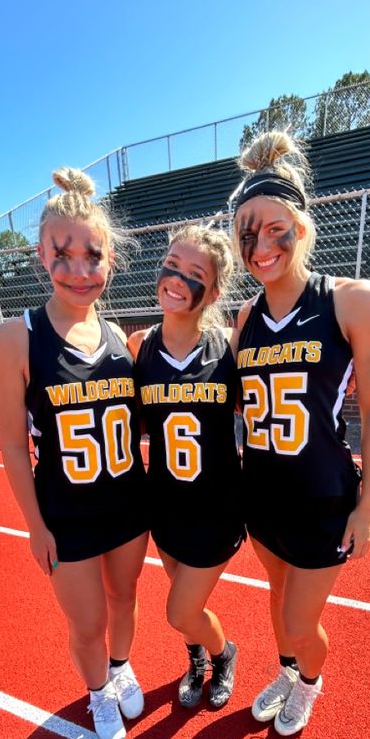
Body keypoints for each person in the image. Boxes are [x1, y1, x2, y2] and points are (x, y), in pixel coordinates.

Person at [231, 131, 370, 736]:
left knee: (302, 620)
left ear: (300, 226)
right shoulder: (246, 318)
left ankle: (310, 681)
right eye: (248, 234)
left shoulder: (352, 300)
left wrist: (369, 504)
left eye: (275, 229)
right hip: (263, 493)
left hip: (324, 496)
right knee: (276, 598)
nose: (262, 246)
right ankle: (287, 670)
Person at [0, 168, 149, 739]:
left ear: (110, 259)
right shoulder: (16, 337)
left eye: (93, 256)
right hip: (68, 513)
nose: (80, 271)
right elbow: (11, 442)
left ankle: (122, 665)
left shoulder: (123, 340)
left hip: (128, 505)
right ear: (41, 253)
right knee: (88, 623)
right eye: (64, 254)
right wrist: (35, 526)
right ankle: (97, 694)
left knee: (125, 598)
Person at [128, 225, 243, 710]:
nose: (176, 278)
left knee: (180, 610)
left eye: (194, 273)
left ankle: (224, 654)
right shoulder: (138, 347)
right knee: (184, 603)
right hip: (165, 506)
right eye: (172, 264)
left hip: (216, 508)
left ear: (213, 291)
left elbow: (261, 411)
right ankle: (195, 660)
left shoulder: (229, 348)